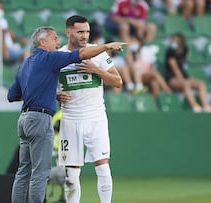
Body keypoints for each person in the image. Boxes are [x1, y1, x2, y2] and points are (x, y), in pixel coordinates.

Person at [7, 25, 126, 203]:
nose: (58, 42)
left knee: (23, 172)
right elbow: (79, 55)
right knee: (40, 173)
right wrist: (107, 46)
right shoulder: (49, 58)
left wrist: (52, 94)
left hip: (24, 119)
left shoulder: (26, 64)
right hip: (40, 119)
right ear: (43, 41)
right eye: (54, 38)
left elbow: (13, 95)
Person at [56, 15, 123, 203]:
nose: (85, 36)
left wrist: (97, 70)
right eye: (80, 32)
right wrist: (55, 95)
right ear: (68, 32)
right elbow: (44, 84)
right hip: (70, 118)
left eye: (87, 32)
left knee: (102, 167)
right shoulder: (59, 56)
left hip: (96, 117)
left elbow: (118, 81)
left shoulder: (98, 53)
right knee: (71, 174)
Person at [165, 32, 211, 112]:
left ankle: (206, 105)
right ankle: (194, 105)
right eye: (173, 40)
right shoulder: (169, 52)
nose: (173, 41)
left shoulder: (185, 50)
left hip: (183, 76)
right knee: (186, 84)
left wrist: (187, 79)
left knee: (201, 83)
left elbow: (182, 66)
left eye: (175, 40)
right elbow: (175, 69)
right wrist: (183, 80)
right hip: (172, 77)